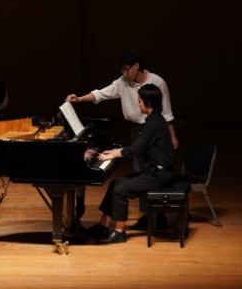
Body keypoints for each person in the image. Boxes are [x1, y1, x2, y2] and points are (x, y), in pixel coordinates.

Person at [65, 50, 177, 230]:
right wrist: (79, 99)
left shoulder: (157, 84)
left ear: (136, 66)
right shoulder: (123, 82)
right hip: (139, 129)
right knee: (137, 173)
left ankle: (148, 220)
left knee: (138, 179)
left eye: (127, 69)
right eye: (122, 70)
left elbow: (167, 113)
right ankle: (120, 223)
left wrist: (171, 137)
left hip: (151, 134)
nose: (125, 73)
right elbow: (101, 94)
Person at [85, 84, 175, 244]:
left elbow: (136, 149)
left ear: (148, 103)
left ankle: (119, 232)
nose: (137, 103)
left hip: (159, 175)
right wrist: (116, 151)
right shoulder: (153, 120)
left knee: (120, 191)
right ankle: (103, 226)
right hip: (153, 172)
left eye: (139, 100)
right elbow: (138, 147)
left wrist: (114, 153)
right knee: (115, 184)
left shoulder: (154, 123)